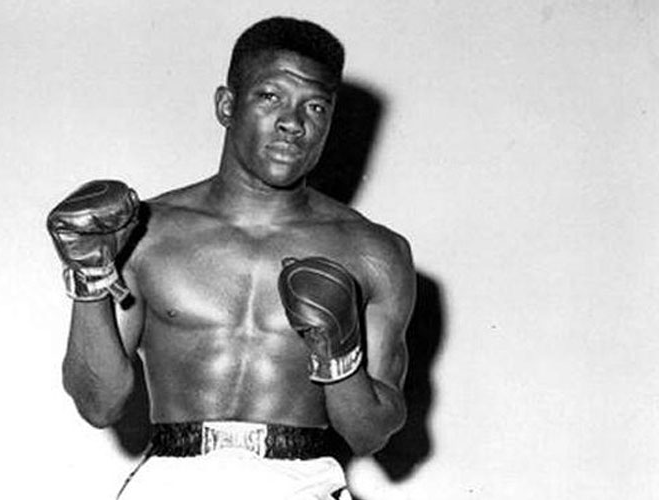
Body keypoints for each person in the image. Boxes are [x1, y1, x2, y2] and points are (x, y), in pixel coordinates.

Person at [47, 16, 415, 500]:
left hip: (302, 483)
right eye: (270, 96)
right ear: (227, 105)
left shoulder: (373, 251)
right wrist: (89, 278)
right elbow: (100, 405)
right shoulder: (144, 231)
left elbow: (370, 433)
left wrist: (339, 354)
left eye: (316, 106)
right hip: (171, 481)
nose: (293, 122)